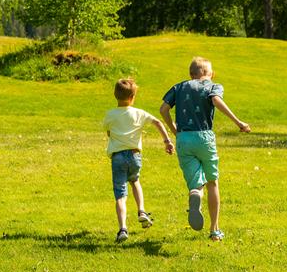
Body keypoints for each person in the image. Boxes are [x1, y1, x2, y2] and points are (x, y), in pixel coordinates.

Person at [159, 56, 250, 241]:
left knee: (196, 183)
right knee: (212, 182)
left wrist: (174, 130)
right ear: (208, 74)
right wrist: (238, 122)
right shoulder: (213, 86)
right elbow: (216, 101)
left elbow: (163, 109)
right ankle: (214, 230)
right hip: (204, 137)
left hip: (183, 139)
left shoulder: (179, 87)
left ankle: (195, 194)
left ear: (191, 74)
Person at [103, 78, 174, 243]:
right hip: (135, 155)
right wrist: (167, 141)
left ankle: (122, 228)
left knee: (120, 194)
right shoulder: (139, 113)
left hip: (118, 157)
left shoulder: (110, 114)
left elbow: (108, 131)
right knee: (135, 181)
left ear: (115, 95)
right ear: (133, 97)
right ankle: (141, 211)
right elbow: (157, 122)